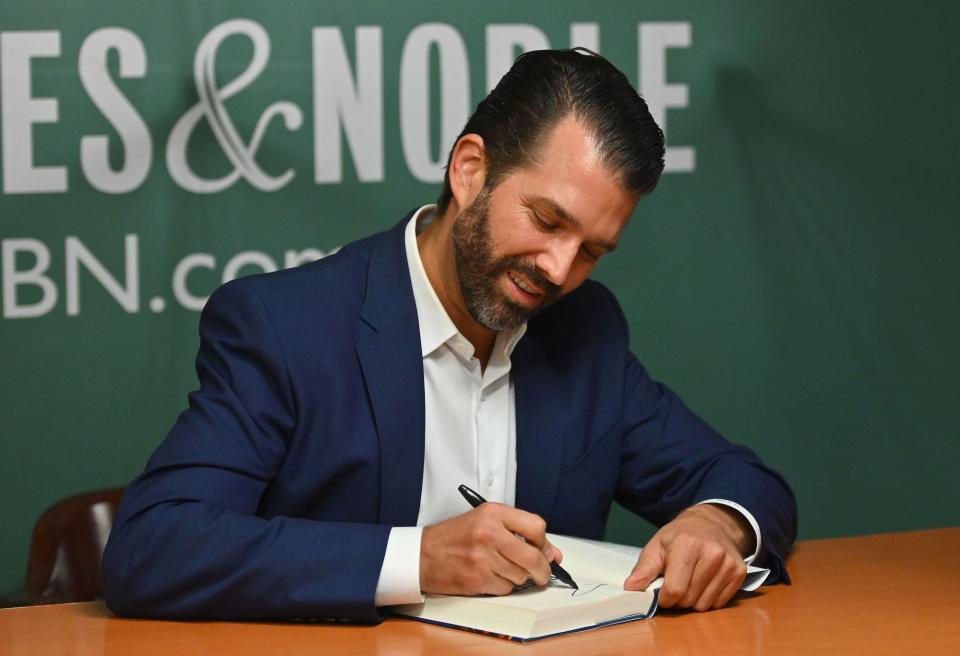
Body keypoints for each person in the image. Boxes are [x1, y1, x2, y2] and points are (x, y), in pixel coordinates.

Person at [103, 49, 796, 622]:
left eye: (592, 250)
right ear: (470, 170)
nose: (559, 270)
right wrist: (417, 560)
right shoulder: (286, 327)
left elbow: (746, 483)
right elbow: (153, 547)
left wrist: (716, 526)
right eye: (548, 221)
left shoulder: (586, 331)